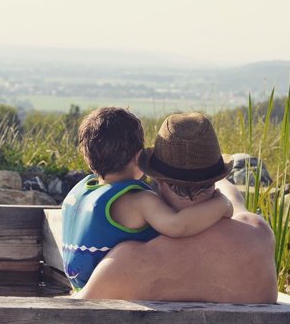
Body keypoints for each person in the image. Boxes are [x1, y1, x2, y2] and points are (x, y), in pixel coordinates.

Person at [75, 113, 278, 303]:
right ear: (217, 178)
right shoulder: (258, 235)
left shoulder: (127, 261)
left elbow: (71, 312)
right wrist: (219, 196)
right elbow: (231, 197)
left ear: (156, 179)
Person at [62, 108, 233, 291]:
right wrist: (222, 204)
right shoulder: (139, 200)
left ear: (88, 158)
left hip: (79, 284)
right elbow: (177, 225)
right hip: (113, 291)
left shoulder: (79, 192)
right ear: (139, 157)